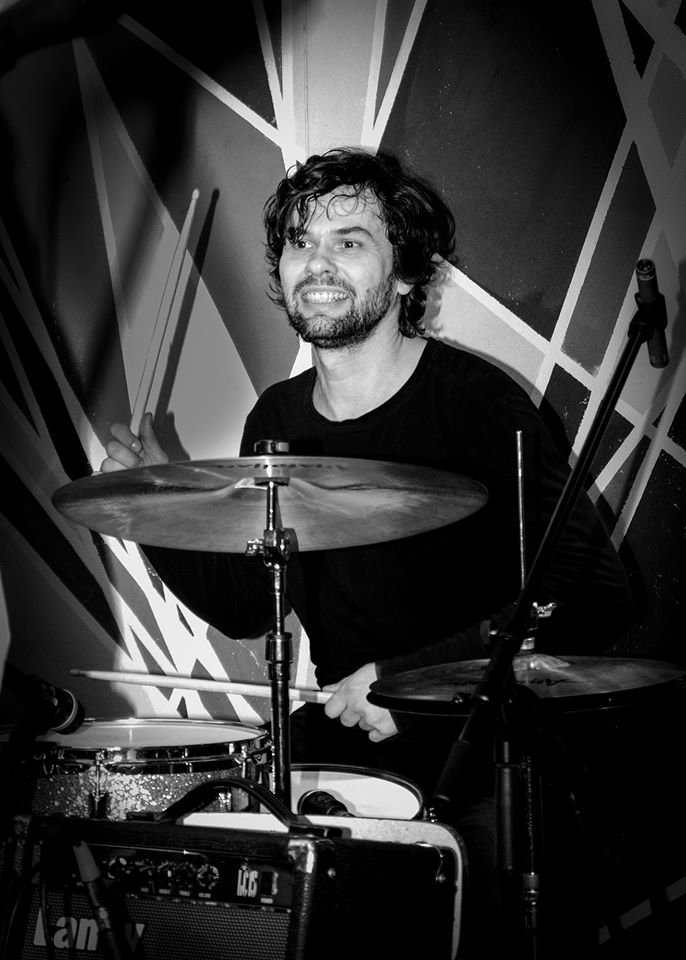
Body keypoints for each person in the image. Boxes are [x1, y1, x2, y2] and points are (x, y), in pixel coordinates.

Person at [100, 148, 635, 956]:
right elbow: (246, 604)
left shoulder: (481, 406)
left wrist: (412, 683)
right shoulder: (278, 419)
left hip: (484, 754)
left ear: (409, 272)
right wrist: (153, 510)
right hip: (354, 749)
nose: (317, 262)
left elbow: (593, 593)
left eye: (349, 241)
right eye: (300, 242)